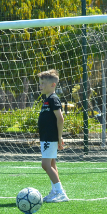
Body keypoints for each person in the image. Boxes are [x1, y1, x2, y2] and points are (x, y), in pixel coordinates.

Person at [38, 69, 68, 203]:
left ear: (53, 85)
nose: (40, 86)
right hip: (46, 137)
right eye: (40, 83)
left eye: (43, 83)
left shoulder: (53, 99)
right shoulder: (47, 99)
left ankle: (61, 192)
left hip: (50, 137)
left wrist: (59, 136)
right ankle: (55, 191)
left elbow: (60, 118)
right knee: (51, 164)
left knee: (45, 165)